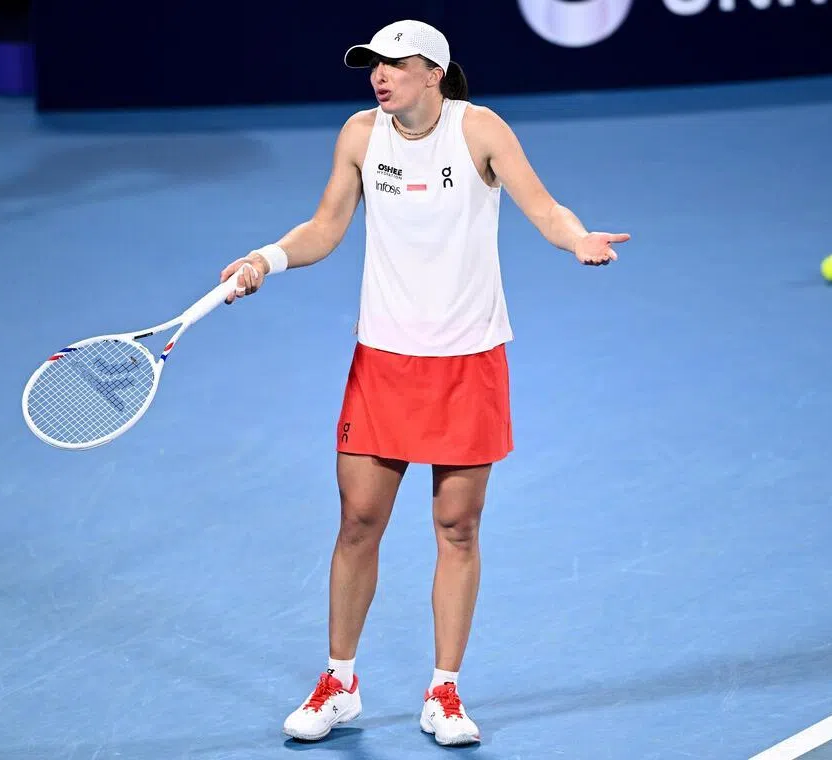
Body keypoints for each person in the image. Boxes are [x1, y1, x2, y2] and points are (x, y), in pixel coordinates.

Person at [219, 19, 630, 747]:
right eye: (372, 65)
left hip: (469, 360)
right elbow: (324, 226)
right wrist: (266, 259)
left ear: (434, 73)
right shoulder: (358, 135)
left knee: (457, 528)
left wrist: (578, 239)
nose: (380, 76)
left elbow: (543, 207)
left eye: (396, 65)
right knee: (358, 522)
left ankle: (444, 692)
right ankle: (339, 683)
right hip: (384, 359)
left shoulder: (480, 131)